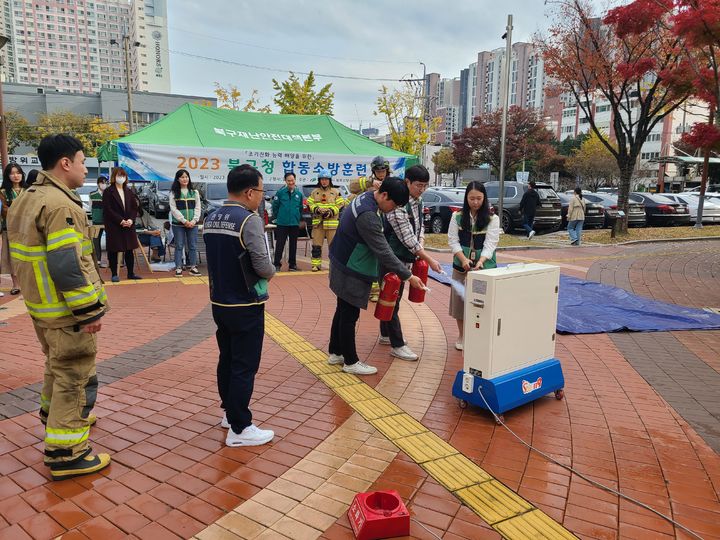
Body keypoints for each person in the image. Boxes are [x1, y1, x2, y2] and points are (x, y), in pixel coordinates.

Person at [7, 134, 110, 479]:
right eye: (82, 161)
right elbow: (68, 264)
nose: (84, 168)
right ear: (65, 163)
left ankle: (54, 417)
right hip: (66, 312)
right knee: (75, 376)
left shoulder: (26, 197)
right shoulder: (62, 205)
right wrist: (88, 311)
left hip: (41, 307)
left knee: (56, 366)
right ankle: (67, 453)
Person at [203, 165, 276, 447]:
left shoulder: (212, 217)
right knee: (245, 364)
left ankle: (229, 412)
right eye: (261, 191)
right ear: (249, 192)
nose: (262, 197)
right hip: (245, 303)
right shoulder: (249, 220)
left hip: (219, 301)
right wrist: (272, 271)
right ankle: (240, 427)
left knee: (228, 358)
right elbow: (262, 265)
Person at [327, 178, 425, 375]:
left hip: (341, 260)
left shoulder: (365, 197)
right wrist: (408, 276)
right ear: (385, 195)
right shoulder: (368, 216)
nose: (393, 210)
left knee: (342, 309)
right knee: (349, 315)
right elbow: (383, 251)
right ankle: (350, 361)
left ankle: (335, 351)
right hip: (351, 267)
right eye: (394, 205)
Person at [380, 165, 442, 361]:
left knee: (390, 297)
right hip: (393, 258)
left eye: (425, 185)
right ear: (407, 182)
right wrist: (429, 259)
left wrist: (422, 243)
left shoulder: (418, 200)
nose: (421, 189)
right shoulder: (398, 205)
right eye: (418, 185)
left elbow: (419, 227)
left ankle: (385, 334)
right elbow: (407, 238)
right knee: (393, 300)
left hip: (407, 257)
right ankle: (397, 345)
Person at [448, 181, 500, 351]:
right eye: (472, 198)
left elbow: (491, 243)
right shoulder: (456, 216)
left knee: (483, 302)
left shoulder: (493, 218)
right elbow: (453, 241)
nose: (475, 202)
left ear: (484, 198)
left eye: (479, 198)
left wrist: (481, 261)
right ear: (466, 198)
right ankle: (462, 335)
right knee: (460, 302)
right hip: (461, 265)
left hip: (484, 267)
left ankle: (481, 336)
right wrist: (463, 259)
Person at [349, 156, 390, 301]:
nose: (381, 173)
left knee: (383, 257)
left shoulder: (392, 182)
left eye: (383, 170)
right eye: (378, 170)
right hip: (370, 222)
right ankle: (371, 290)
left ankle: (381, 290)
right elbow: (352, 187)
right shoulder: (368, 182)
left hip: (387, 222)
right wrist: (370, 182)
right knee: (370, 256)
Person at [103, 166, 142, 282]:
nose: (121, 178)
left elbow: (135, 208)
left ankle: (131, 273)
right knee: (114, 250)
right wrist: (120, 220)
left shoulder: (128, 191)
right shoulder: (108, 191)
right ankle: (114, 273)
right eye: (119, 175)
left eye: (123, 175)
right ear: (114, 177)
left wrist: (131, 220)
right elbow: (108, 209)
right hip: (114, 225)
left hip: (128, 225)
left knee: (129, 249)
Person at [307, 168, 345, 272]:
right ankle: (316, 265)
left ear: (330, 180)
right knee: (316, 246)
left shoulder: (335, 192)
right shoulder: (315, 192)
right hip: (318, 223)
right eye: (322, 179)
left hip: (331, 224)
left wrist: (331, 211)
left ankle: (334, 265)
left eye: (326, 179)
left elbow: (341, 204)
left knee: (333, 246)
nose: (324, 181)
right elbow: (309, 203)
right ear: (319, 180)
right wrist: (317, 209)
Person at [169, 169, 202, 277]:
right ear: (178, 179)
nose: (185, 179)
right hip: (178, 224)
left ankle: (193, 267)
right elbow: (173, 209)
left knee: (192, 245)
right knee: (179, 245)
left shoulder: (195, 192)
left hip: (192, 224)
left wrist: (194, 220)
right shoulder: (173, 193)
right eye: (182, 177)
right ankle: (178, 267)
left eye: (186, 177)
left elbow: (198, 207)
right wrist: (184, 220)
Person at [1, 163, 26, 295]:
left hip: (27, 229)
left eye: (18, 172)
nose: (16, 176)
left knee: (26, 256)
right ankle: (16, 284)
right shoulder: (4, 192)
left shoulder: (28, 190)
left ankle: (26, 284)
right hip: (10, 229)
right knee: (12, 257)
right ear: (8, 176)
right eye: (12, 173)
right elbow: (4, 210)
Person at [271, 172, 303, 271]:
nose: (291, 182)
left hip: (294, 223)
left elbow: (300, 208)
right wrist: (278, 217)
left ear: (295, 180)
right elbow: (275, 207)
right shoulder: (280, 193)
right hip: (282, 223)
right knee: (280, 244)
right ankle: (276, 264)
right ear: (285, 181)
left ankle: (292, 265)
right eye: (289, 180)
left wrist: (298, 218)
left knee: (293, 244)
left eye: (292, 180)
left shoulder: (299, 194)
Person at [89, 176, 108, 268]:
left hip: (108, 221)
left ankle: (111, 260)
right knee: (96, 241)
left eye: (105, 182)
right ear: (98, 183)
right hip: (96, 221)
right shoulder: (92, 194)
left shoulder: (109, 194)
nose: (104, 184)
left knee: (111, 241)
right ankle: (98, 260)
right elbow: (90, 208)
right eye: (102, 182)